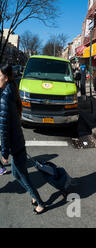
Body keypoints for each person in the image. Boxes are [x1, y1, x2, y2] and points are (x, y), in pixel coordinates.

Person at [0, 65, 46, 214]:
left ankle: (40, 202)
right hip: (18, 140)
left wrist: (4, 153)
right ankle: (34, 196)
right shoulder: (11, 89)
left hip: (15, 143)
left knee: (23, 176)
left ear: (5, 77)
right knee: (16, 174)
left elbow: (4, 129)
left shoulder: (5, 99)